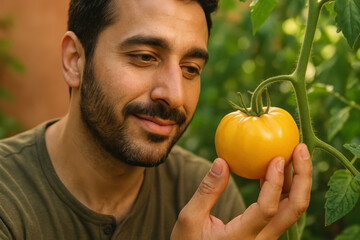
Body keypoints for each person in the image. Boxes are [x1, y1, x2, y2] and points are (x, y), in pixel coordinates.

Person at [0, 0, 313, 239]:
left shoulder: (205, 197)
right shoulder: (8, 198)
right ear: (75, 61)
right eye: (145, 57)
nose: (175, 95)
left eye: (190, 68)